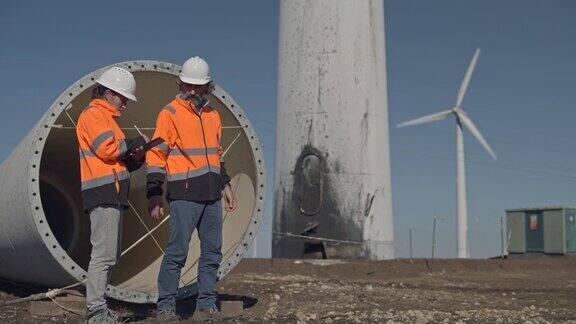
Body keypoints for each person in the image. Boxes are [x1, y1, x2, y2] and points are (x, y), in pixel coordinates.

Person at [146, 56, 237, 321]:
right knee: (177, 252)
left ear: (208, 87)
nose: (193, 91)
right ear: (181, 84)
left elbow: (217, 155)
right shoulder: (170, 113)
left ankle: (206, 307)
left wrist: (226, 184)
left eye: (198, 86)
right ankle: (165, 308)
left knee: (212, 252)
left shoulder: (213, 115)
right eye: (188, 85)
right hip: (184, 195)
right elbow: (156, 156)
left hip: (211, 196)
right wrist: (154, 194)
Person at [76, 66, 147, 323]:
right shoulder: (94, 115)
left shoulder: (108, 120)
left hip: (112, 193)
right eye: (123, 97)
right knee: (103, 254)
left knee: (109, 254)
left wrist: (135, 157)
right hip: (103, 193)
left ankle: (98, 308)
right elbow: (107, 149)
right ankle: (96, 312)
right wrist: (131, 144)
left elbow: (116, 160)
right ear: (108, 93)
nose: (126, 103)